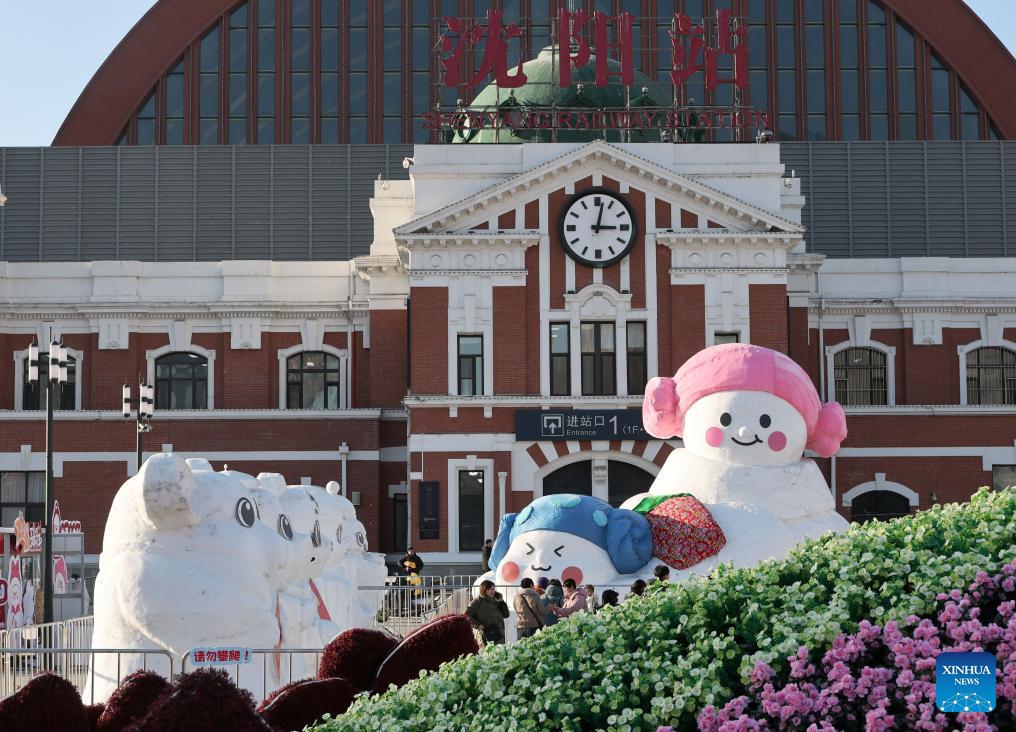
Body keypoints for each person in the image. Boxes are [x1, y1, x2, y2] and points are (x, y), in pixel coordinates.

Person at [465, 580, 509, 646]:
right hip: (487, 634)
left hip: (500, 634)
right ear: (484, 589)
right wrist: (478, 625)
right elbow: (466, 616)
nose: (492, 591)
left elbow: (506, 615)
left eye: (493, 589)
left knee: (499, 651)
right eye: (489, 589)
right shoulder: (478, 601)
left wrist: (502, 602)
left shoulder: (497, 600)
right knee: (488, 651)